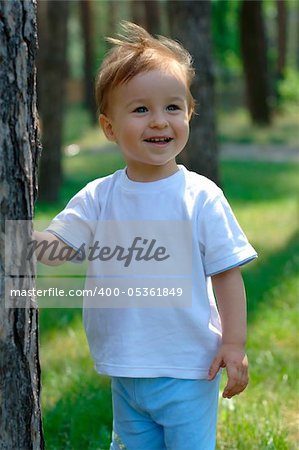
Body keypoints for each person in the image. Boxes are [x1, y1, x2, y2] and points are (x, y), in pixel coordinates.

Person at [34, 22, 257, 450]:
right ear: (109, 127)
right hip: (126, 367)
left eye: (173, 107)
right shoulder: (100, 196)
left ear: (189, 114)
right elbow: (58, 248)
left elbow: (226, 274)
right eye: (140, 110)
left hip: (188, 368)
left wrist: (234, 343)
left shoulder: (199, 196)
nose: (159, 121)